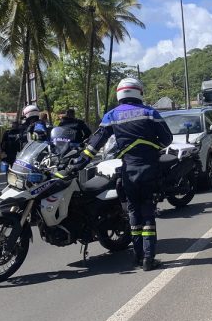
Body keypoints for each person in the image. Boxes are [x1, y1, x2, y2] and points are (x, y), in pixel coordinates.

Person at [65, 77, 173, 271]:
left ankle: (138, 257)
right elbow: (167, 139)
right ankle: (149, 259)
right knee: (147, 213)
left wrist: (78, 163)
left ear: (119, 93)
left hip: (128, 171)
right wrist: (150, 148)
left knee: (132, 212)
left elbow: (94, 145)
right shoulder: (150, 113)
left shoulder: (112, 115)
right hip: (149, 170)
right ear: (139, 92)